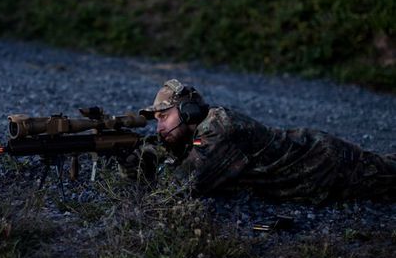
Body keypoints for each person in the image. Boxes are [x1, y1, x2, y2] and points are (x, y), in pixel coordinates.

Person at [119, 79, 396, 203]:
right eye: (156, 119)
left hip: (321, 164)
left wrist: (144, 165)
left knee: (389, 176)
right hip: (310, 168)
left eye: (164, 116)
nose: (160, 126)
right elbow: (172, 156)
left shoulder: (219, 129)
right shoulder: (197, 130)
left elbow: (179, 187)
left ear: (188, 112)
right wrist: (136, 158)